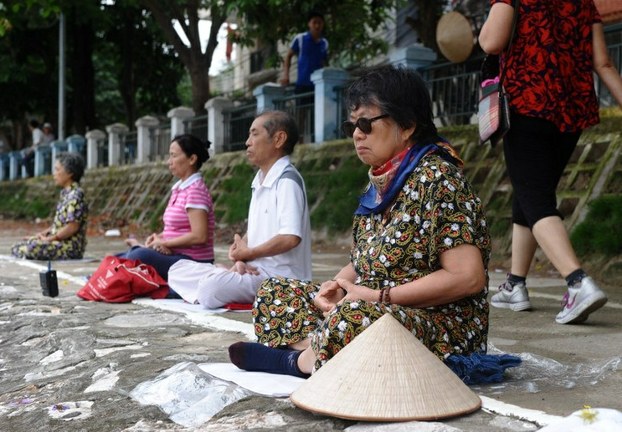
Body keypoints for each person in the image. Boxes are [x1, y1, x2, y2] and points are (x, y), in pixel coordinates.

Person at [227, 65, 492, 378]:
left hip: (438, 322)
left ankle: (295, 361)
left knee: (356, 316)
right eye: (351, 125)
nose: (357, 134)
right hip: (369, 302)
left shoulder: (439, 179)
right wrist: (336, 286)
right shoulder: (379, 183)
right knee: (275, 292)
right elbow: (360, 262)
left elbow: (467, 278)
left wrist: (377, 297)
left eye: (366, 123)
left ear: (406, 125)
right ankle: (322, 351)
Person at [479, 0, 622, 324]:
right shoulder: (584, 3)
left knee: (536, 197)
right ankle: (515, 284)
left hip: (528, 103)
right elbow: (604, 63)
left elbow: (491, 42)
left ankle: (577, 282)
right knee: (530, 191)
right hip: (572, 112)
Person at [168, 110, 312, 309]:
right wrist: (241, 250)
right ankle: (222, 275)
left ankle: (219, 278)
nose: (247, 142)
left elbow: (290, 237)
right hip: (255, 270)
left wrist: (249, 253)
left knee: (210, 289)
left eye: (254, 134)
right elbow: (258, 230)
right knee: (177, 269)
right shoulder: (260, 180)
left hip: (281, 280)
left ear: (278, 139)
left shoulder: (287, 180)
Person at [117, 134, 215, 281]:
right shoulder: (179, 189)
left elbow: (199, 236)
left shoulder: (195, 190)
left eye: (173, 156)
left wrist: (165, 243)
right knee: (119, 258)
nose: (169, 162)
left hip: (192, 261)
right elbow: (177, 230)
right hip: (176, 255)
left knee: (137, 257)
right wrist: (159, 238)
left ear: (192, 159)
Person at [11, 152, 89, 260]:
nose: (54, 174)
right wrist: (40, 235)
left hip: (69, 247)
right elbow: (58, 226)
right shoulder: (65, 193)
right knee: (19, 246)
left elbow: (72, 226)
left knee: (31, 248)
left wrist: (51, 239)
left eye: (57, 170)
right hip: (57, 243)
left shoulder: (76, 194)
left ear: (70, 173)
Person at [280, 11, 328, 96]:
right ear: (309, 24)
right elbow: (288, 56)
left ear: (323, 25)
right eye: (314, 22)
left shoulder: (324, 43)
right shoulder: (300, 38)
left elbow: (324, 63)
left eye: (319, 23)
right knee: (301, 109)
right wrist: (286, 75)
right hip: (302, 83)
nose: (317, 25)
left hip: (319, 85)